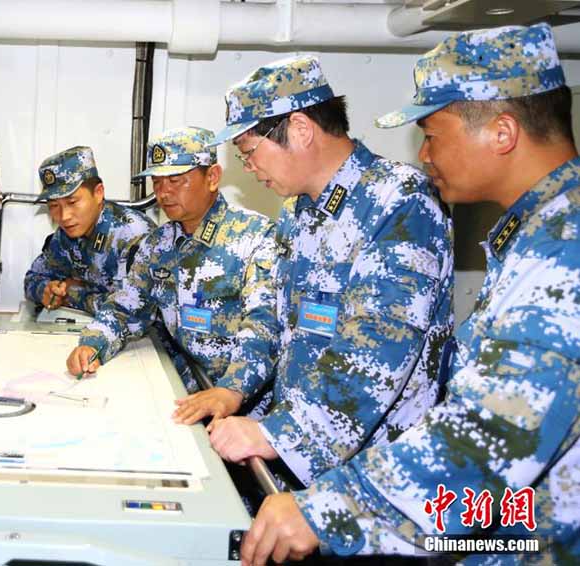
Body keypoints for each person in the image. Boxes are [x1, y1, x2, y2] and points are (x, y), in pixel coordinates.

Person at [240, 23, 580, 565]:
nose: (424, 154)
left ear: (502, 132)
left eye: (433, 132)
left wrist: (330, 508)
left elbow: (496, 431)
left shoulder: (565, 246)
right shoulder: (537, 234)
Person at [184, 55, 454, 491]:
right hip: (307, 464)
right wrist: (235, 387)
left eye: (250, 153)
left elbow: (376, 352)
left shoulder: (398, 202)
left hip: (378, 478)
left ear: (301, 129)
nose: (249, 169)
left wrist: (278, 435)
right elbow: (272, 316)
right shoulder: (298, 212)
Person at [66, 127, 278, 399]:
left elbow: (264, 326)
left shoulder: (255, 237)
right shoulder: (159, 245)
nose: (163, 193)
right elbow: (126, 307)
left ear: (212, 177)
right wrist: (93, 343)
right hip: (186, 387)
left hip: (246, 403)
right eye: (157, 182)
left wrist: (231, 391)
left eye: (175, 180)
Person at [24, 146, 154, 314]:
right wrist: (47, 291)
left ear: (98, 193)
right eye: (54, 205)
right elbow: (32, 278)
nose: (64, 216)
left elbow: (131, 310)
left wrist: (72, 293)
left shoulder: (132, 234)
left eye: (72, 202)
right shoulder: (67, 235)